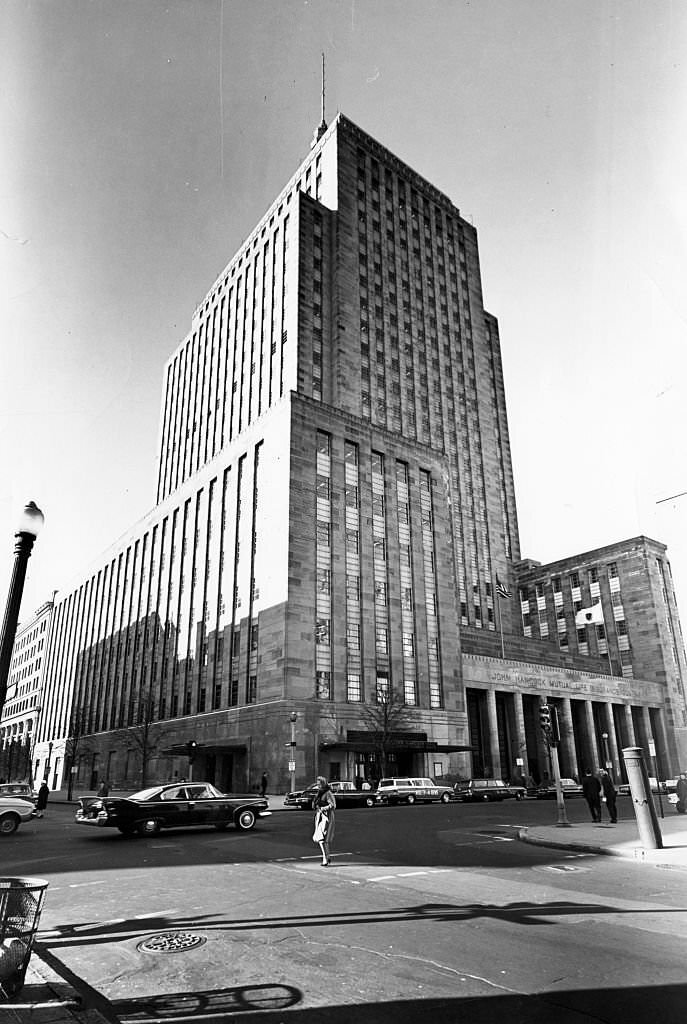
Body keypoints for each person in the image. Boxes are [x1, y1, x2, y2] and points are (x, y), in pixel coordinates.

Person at [312, 775, 336, 866]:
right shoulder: (320, 792)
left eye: (319, 784)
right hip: (320, 816)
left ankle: (325, 859)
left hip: (326, 817)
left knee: (322, 839)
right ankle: (327, 857)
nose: (318, 786)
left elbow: (333, 805)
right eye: (317, 784)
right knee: (321, 838)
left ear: (323, 784)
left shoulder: (328, 793)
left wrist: (323, 808)